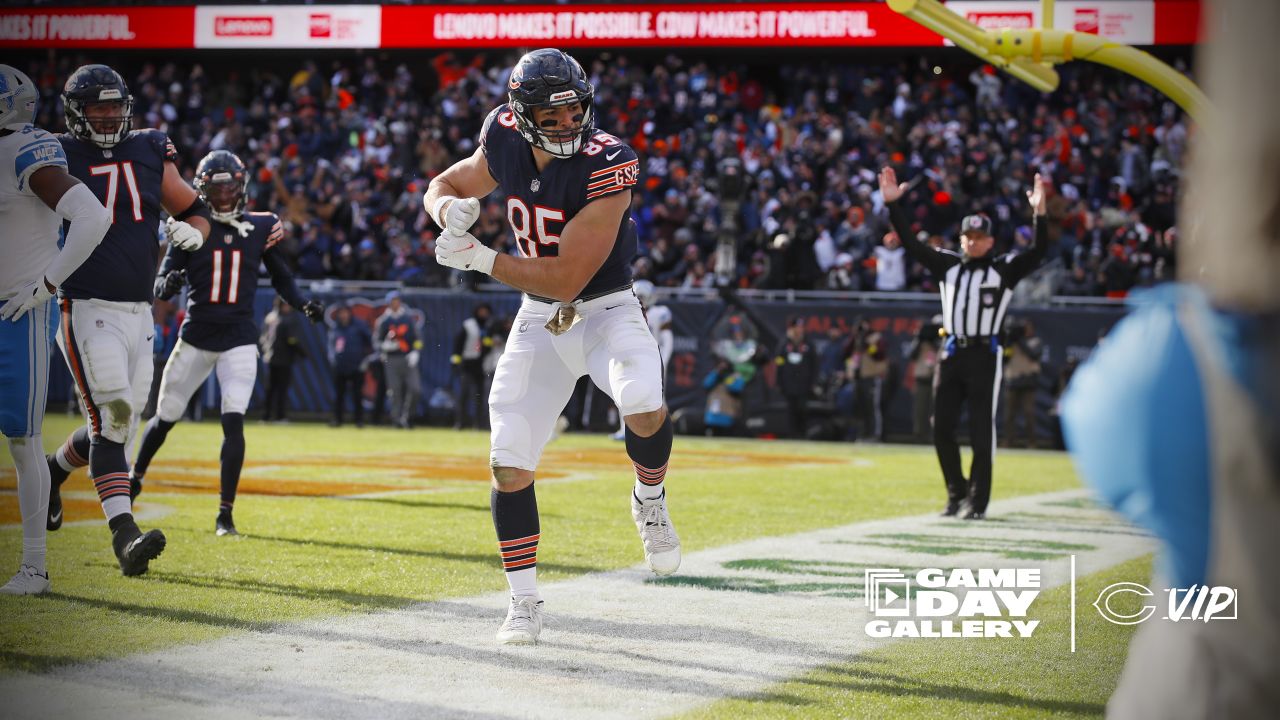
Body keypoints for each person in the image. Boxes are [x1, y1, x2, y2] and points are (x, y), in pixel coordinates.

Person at [423, 48, 678, 645]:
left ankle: (650, 497)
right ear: (521, 112)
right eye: (551, 114)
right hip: (538, 319)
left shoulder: (610, 160)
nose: (566, 123)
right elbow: (445, 182)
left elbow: (567, 278)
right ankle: (523, 603)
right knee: (508, 459)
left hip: (606, 309)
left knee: (642, 399)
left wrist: (482, 258)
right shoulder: (503, 136)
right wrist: (447, 209)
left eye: (573, 111)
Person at [44, 64, 211, 577]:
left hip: (139, 312)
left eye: (116, 105)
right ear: (76, 111)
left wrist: (196, 236)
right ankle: (124, 536)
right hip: (86, 304)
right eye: (99, 106)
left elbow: (194, 208)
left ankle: (53, 471)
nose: (110, 115)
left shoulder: (147, 147)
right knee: (112, 415)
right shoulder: (53, 152)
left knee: (117, 422)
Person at [129, 150, 323, 536]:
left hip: (238, 338)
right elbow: (164, 277)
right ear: (201, 190)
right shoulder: (192, 224)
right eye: (214, 190)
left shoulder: (262, 225)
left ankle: (225, 515)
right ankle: (133, 480)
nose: (222, 197)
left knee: (233, 421)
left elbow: (281, 274)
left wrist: (301, 303)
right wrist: (166, 284)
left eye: (229, 188)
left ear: (242, 187)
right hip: (197, 336)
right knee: (165, 416)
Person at [880, 166, 1047, 519]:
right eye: (968, 236)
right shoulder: (948, 266)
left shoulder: (1003, 269)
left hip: (985, 354)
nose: (973, 241)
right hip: (952, 351)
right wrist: (893, 206)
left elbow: (1039, 250)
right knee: (941, 427)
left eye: (979, 237)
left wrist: (1039, 214)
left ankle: (978, 502)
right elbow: (910, 243)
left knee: (980, 431)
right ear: (961, 239)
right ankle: (955, 494)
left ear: (990, 241)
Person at [0, 65, 111, 594]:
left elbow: (92, 218)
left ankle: (35, 567)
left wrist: (46, 285)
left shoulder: (27, 150)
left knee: (23, 443)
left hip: (17, 311)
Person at [611, 279, 673, 440]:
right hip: (632, 358)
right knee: (624, 393)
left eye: (643, 296)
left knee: (658, 397)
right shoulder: (626, 312)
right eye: (638, 296)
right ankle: (625, 430)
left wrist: (663, 360)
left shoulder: (660, 313)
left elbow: (668, 340)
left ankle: (661, 432)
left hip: (652, 358)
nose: (641, 300)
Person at [374, 290, 421, 429]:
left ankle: (408, 417)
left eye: (397, 300)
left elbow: (418, 339)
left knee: (415, 389)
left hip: (408, 358)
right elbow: (376, 341)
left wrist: (416, 352)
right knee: (395, 391)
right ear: (388, 303)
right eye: (392, 301)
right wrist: (384, 346)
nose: (395, 303)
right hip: (391, 359)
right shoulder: (383, 320)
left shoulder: (408, 318)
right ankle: (396, 420)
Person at [259, 297, 307, 423]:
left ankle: (266, 416)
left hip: (269, 358)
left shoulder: (269, 318)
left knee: (270, 389)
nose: (288, 307)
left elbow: (262, 338)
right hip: (283, 359)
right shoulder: (286, 320)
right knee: (281, 389)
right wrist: (302, 353)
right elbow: (291, 340)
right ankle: (279, 416)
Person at [1001, 318, 1043, 448]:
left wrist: (1019, 340)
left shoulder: (1036, 341)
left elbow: (1033, 355)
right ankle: (1009, 441)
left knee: (1029, 413)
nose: (1026, 330)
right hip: (1012, 381)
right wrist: (1009, 341)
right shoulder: (1010, 343)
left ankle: (1032, 442)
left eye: (1028, 327)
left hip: (1028, 381)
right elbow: (1005, 358)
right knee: (1009, 415)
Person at [328, 302, 371, 428]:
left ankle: (359, 420)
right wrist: (333, 358)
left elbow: (369, 342)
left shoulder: (359, 325)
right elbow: (331, 345)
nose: (343, 315)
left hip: (357, 366)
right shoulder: (335, 328)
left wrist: (365, 359)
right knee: (339, 395)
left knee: (357, 395)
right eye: (341, 313)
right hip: (340, 366)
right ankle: (337, 420)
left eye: (345, 312)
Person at [774, 316, 817, 438]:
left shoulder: (808, 344)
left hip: (804, 383)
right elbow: (779, 363)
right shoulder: (784, 344)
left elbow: (815, 364)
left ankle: (803, 434)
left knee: (802, 409)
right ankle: (792, 434)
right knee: (790, 410)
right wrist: (779, 382)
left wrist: (813, 382)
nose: (800, 330)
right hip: (789, 384)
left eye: (801, 327)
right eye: (797, 327)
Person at [452, 303, 493, 430]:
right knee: (464, 394)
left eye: (485, 311)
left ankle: (479, 423)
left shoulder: (489, 325)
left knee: (480, 396)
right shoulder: (468, 325)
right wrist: (456, 361)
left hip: (482, 365)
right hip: (468, 363)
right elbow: (459, 343)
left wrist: (488, 343)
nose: (483, 314)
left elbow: (490, 343)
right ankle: (461, 422)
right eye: (481, 311)